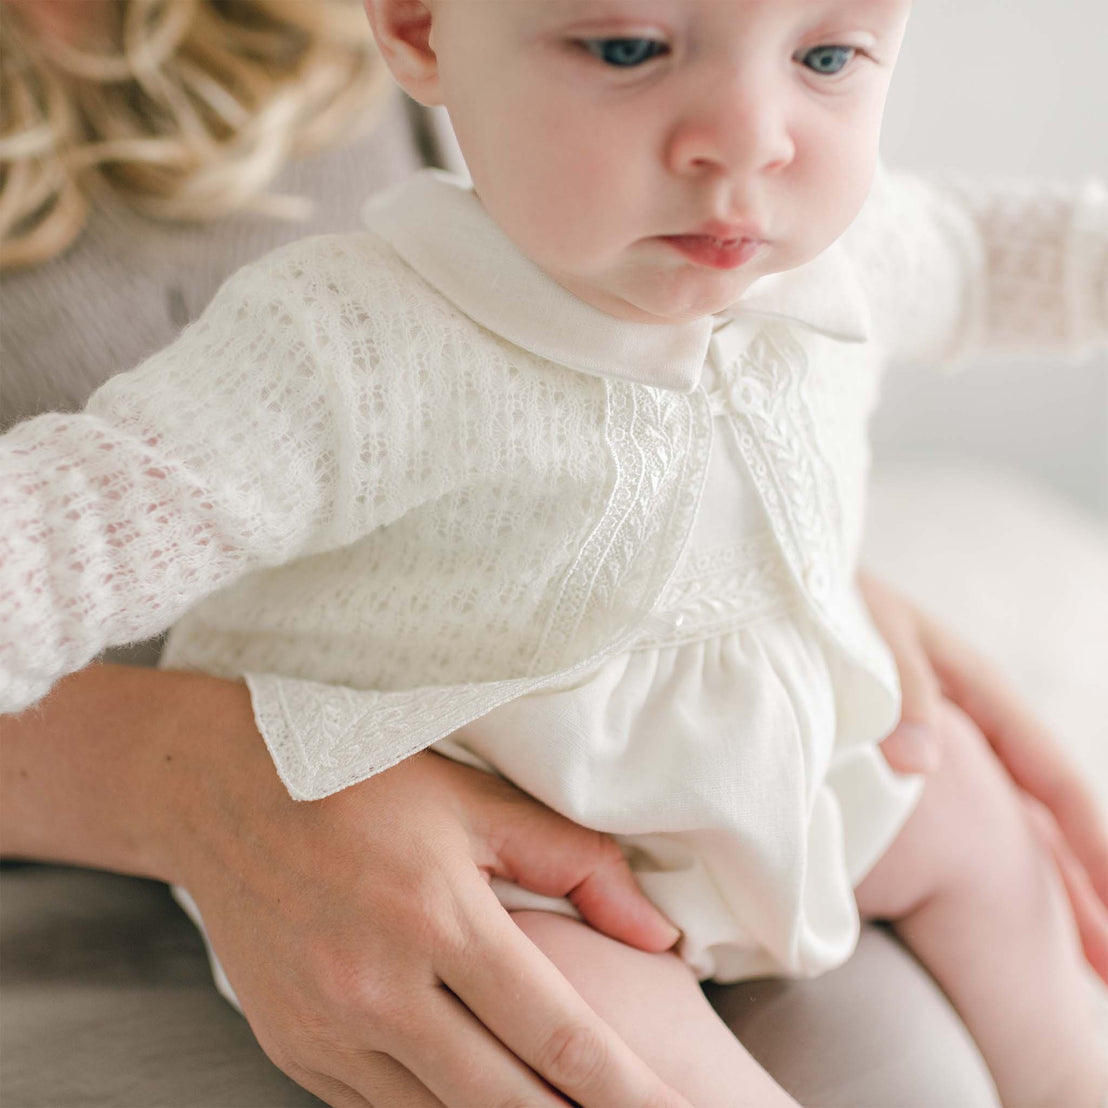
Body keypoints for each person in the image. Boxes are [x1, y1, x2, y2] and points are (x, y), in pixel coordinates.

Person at [2, 1, 1106, 1106]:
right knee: (587, 1035)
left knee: (970, 813)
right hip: (488, 835)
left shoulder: (846, 254)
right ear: (422, 32)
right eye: (628, 50)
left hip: (756, 769)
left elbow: (1006, 254)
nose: (747, 137)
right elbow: (79, 522)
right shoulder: (352, 343)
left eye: (824, 56)